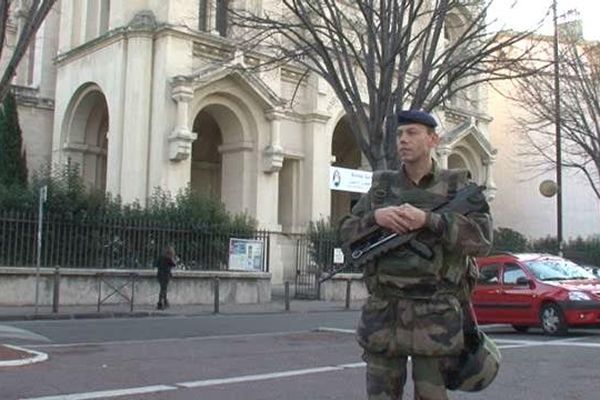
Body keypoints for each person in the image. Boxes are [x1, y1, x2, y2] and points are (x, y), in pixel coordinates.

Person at [339, 110, 493, 400]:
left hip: (435, 314)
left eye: (412, 133)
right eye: (399, 135)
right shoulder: (382, 188)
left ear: (432, 139)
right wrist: (376, 217)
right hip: (385, 312)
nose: (403, 140)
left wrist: (429, 220)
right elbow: (346, 232)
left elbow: (482, 240)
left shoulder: (456, 185)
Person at [155, 245, 177, 310]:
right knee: (163, 289)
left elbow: (156, 264)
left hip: (159, 275)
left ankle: (165, 301)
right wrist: (173, 258)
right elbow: (174, 264)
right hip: (166, 275)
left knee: (163, 289)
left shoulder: (160, 257)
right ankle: (160, 303)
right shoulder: (168, 258)